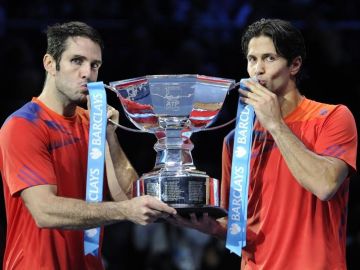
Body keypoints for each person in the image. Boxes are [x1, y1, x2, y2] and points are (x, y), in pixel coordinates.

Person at [169, 18, 358, 269]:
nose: (258, 69)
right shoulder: (236, 140)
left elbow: (325, 185)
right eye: (252, 59)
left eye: (269, 58)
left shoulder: (333, 118)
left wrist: (276, 125)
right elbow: (237, 222)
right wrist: (214, 228)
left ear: (295, 65)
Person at [0, 21, 176, 270]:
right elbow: (44, 211)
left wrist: (109, 136)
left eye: (95, 65)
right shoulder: (23, 126)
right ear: (50, 64)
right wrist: (124, 211)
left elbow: (128, 196)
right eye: (77, 61)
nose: (87, 73)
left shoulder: (92, 122)